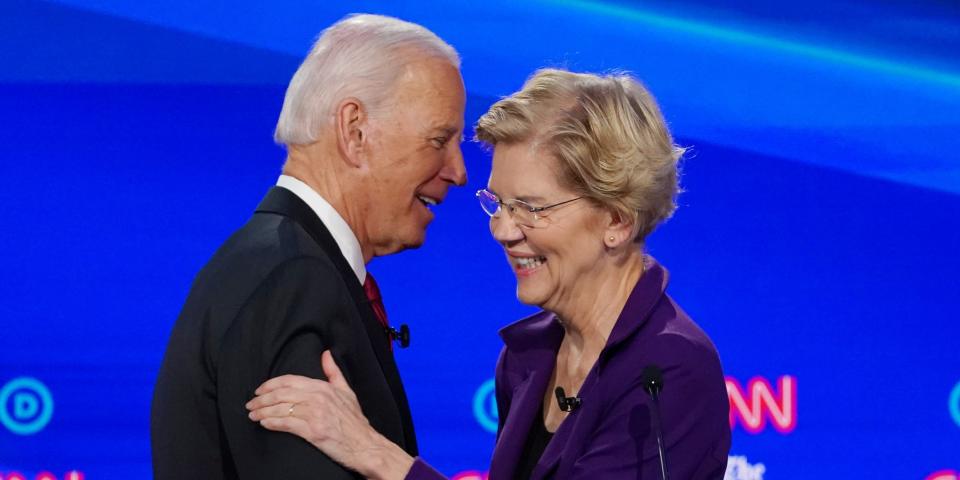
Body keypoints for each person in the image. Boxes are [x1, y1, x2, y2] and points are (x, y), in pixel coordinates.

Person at [245, 69, 730, 479]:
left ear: (617, 220)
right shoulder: (528, 358)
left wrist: (377, 456)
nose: (502, 230)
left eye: (531, 208)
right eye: (498, 203)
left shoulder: (668, 370)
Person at [150, 14, 467, 479]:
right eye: (440, 139)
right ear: (355, 130)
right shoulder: (293, 280)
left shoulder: (278, 262)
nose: (458, 171)